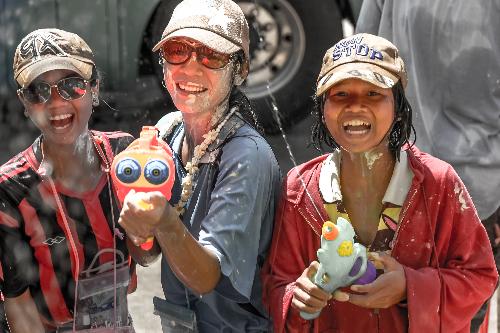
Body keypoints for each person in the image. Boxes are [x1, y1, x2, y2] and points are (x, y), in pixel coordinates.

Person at [262, 33, 498, 333]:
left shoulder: (438, 184)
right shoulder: (300, 191)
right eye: (340, 95)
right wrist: (298, 297)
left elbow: (479, 276)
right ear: (323, 110)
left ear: (398, 107)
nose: (356, 106)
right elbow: (274, 285)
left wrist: (409, 288)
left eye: (374, 93)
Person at [117, 0, 281, 332]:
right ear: (162, 63)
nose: (191, 69)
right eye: (178, 51)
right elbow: (148, 255)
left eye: (212, 56)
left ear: (242, 69)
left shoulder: (245, 156)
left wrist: (163, 221)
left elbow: (206, 277)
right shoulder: (167, 131)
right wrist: (138, 225)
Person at [354, 3, 500, 330]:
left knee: (385, 308)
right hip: (476, 191)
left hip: (395, 179)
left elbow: (358, 62)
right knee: (455, 309)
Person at [0, 28, 137, 332]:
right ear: (24, 102)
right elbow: (18, 303)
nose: (56, 103)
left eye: (72, 86)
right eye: (38, 91)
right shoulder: (10, 189)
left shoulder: (123, 156)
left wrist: (147, 225)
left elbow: (148, 254)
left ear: (95, 89)